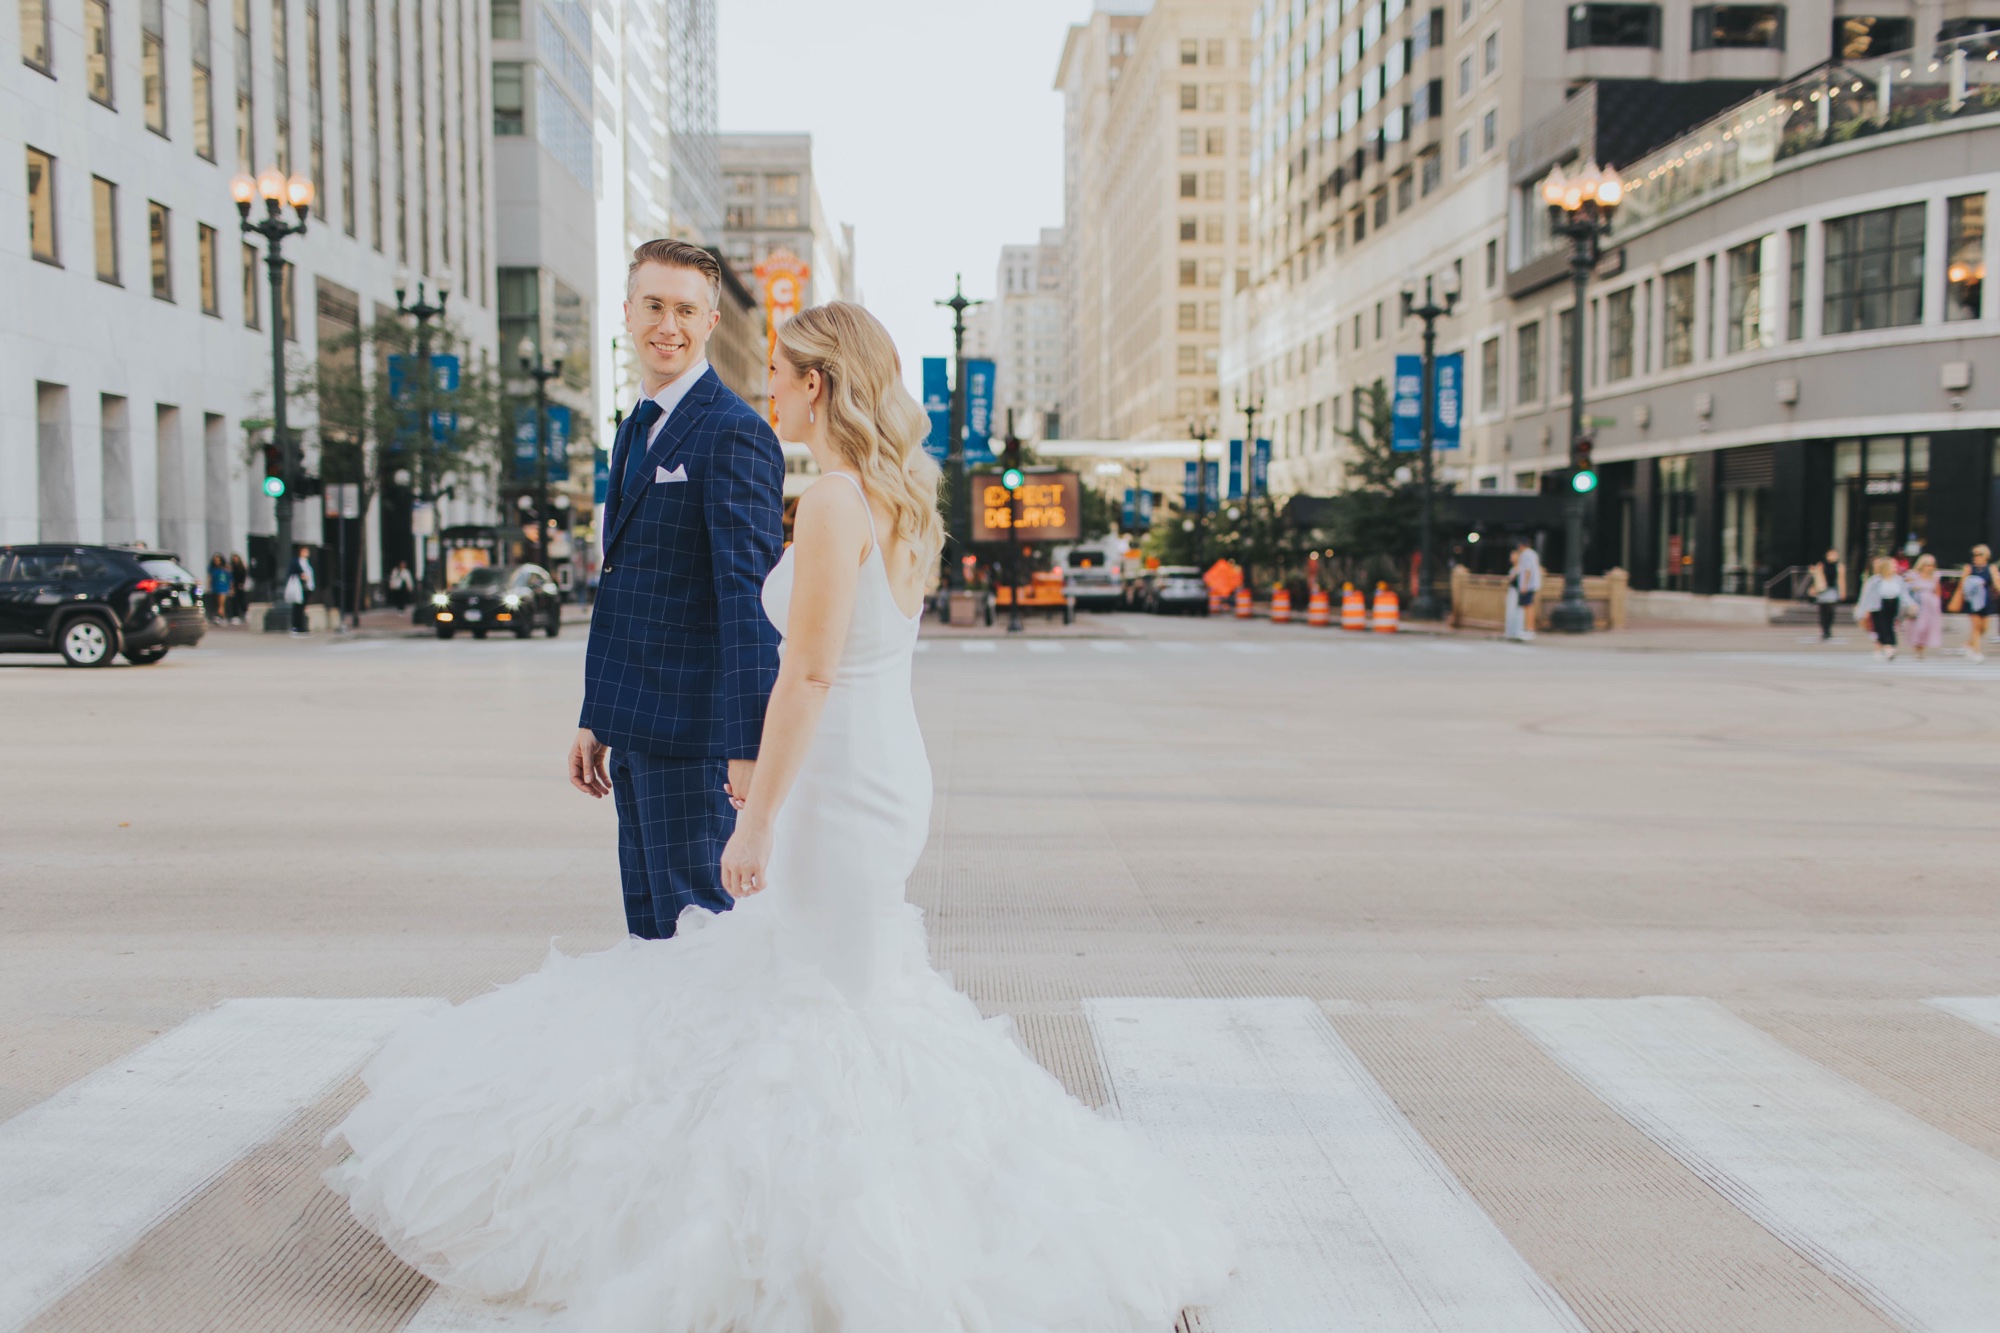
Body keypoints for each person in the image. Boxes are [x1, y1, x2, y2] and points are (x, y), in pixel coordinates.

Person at [324, 300, 1232, 1329]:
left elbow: (806, 677)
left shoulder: (839, 501)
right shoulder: (902, 502)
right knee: (840, 997)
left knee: (827, 1012)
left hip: (840, 782)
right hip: (885, 767)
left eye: (780, 375)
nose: (766, 393)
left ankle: (855, 1235)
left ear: (817, 384)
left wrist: (755, 817)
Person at [553, 239, 786, 940]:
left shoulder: (734, 433)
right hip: (639, 733)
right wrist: (600, 717)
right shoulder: (635, 429)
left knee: (703, 943)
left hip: (702, 743)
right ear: (628, 312)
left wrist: (748, 747)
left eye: (686, 309)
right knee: (653, 937)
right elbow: (632, 585)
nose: (668, 325)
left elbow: (749, 601)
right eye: (654, 305)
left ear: (712, 321)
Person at [1855, 555, 1910, 660]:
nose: (1895, 567)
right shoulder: (1875, 580)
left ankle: (1890, 646)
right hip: (1878, 605)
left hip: (1893, 604)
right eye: (1893, 565)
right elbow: (1866, 596)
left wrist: (1910, 605)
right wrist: (1862, 611)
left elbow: (1904, 595)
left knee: (1890, 626)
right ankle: (1888, 647)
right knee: (1881, 626)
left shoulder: (1898, 580)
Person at [1953, 544, 1998, 662]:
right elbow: (1962, 584)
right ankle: (1977, 651)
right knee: (1976, 627)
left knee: (1984, 628)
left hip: (1986, 600)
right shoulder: (1969, 568)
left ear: (1986, 556)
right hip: (1972, 601)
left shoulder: (1991, 568)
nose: (1977, 557)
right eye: (1975, 554)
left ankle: (1968, 644)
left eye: (1980, 554)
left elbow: (1996, 582)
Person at [1904, 553, 1944, 659]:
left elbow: (1937, 592)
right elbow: (1905, 589)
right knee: (1918, 627)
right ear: (1921, 565)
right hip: (1917, 604)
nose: (1930, 567)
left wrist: (1937, 604)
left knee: (1927, 628)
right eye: (1927, 565)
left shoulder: (1935, 576)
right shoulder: (1913, 575)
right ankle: (1916, 647)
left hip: (1930, 605)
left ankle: (1921, 649)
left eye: (1932, 565)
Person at [1504, 536, 1541, 640]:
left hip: (1528, 585)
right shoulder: (1533, 553)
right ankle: (1528, 629)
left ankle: (1530, 629)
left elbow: (1528, 570)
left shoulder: (1526, 554)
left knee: (1528, 606)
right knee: (1528, 606)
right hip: (1532, 584)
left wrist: (1524, 585)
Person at [1808, 546, 1843, 642]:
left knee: (1830, 611)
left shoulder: (1839, 566)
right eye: (1831, 554)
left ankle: (1828, 628)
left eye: (1835, 554)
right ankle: (1824, 629)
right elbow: (1816, 577)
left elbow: (1841, 580)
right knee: (1822, 611)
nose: (1833, 556)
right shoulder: (1821, 565)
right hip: (1823, 590)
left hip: (1832, 590)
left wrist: (1842, 591)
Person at [282, 546, 315, 636]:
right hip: (299, 587)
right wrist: (301, 575)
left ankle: (302, 626)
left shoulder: (307, 562)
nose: (306, 553)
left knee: (302, 608)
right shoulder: (296, 561)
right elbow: (292, 572)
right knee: (297, 608)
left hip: (307, 587)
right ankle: (296, 626)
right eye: (304, 551)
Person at [206, 554, 232, 624]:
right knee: (218, 603)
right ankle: (221, 617)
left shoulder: (225, 569)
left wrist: (231, 588)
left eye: (218, 560)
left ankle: (223, 617)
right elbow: (210, 578)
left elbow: (230, 579)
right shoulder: (213, 569)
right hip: (215, 586)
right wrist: (208, 586)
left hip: (223, 587)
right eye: (215, 561)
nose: (217, 562)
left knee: (221, 604)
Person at [228, 552, 249, 623]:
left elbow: (244, 576)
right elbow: (231, 578)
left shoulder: (242, 568)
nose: (235, 560)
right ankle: (236, 616)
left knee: (242, 600)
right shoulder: (232, 568)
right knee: (235, 601)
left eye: (236, 558)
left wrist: (242, 584)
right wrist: (232, 588)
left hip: (240, 586)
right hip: (235, 586)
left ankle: (245, 613)